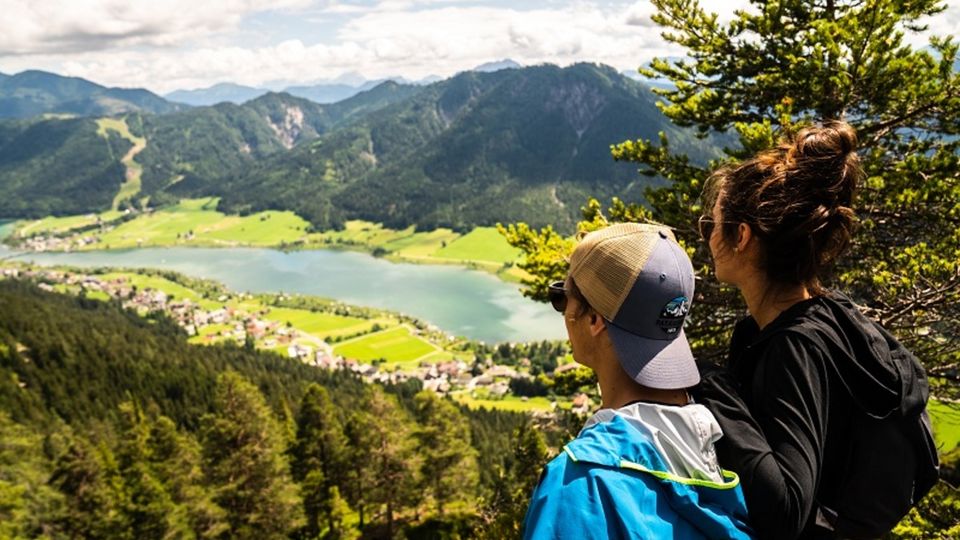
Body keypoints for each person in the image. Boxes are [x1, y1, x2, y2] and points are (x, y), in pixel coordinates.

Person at [693, 121, 934, 539]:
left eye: (709, 226)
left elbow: (786, 511)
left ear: (741, 236)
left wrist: (712, 386)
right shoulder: (829, 313)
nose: (707, 238)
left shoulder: (793, 347)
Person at [522, 222, 754, 540]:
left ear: (594, 319)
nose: (563, 311)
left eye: (562, 297)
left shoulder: (580, 485)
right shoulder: (719, 452)